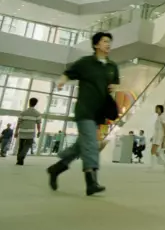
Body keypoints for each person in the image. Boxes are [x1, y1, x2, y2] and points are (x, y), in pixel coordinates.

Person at [46, 31, 120, 196]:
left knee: (82, 145)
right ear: (96, 45)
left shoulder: (112, 66)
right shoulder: (85, 63)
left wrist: (114, 88)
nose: (108, 44)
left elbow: (115, 84)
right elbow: (68, 73)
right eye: (104, 41)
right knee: (91, 144)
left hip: (99, 113)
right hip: (85, 110)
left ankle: (56, 168)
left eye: (109, 41)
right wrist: (61, 82)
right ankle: (91, 181)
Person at [14, 98, 42, 165]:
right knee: (27, 146)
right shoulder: (37, 114)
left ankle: (19, 160)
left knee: (21, 146)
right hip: (31, 133)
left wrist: (16, 131)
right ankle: (21, 158)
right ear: (35, 104)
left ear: (29, 103)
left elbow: (18, 123)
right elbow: (38, 124)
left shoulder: (23, 113)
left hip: (22, 132)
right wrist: (39, 131)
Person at [150, 105, 165, 171]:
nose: (156, 109)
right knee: (154, 151)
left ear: (161, 109)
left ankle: (153, 166)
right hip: (156, 135)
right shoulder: (158, 117)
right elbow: (156, 128)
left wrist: (164, 136)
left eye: (157, 108)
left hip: (159, 135)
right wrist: (153, 136)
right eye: (156, 108)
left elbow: (164, 126)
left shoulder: (162, 117)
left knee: (153, 151)